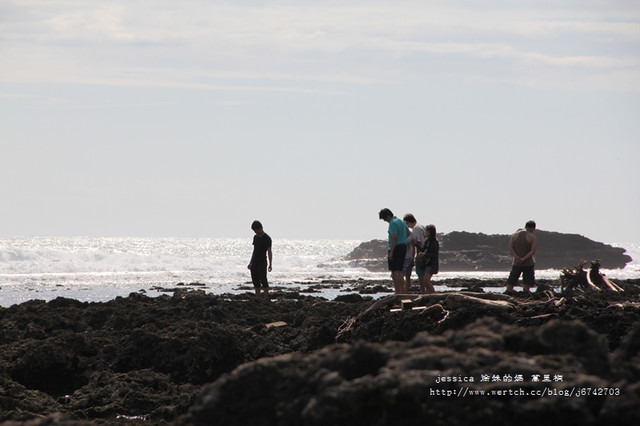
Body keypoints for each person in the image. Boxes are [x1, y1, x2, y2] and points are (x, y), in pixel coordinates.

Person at [379, 208, 409, 294]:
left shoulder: (392, 223)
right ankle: (402, 291)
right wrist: (402, 238)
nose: (385, 221)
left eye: (385, 219)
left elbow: (394, 237)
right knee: (400, 270)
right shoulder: (401, 221)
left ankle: (398, 291)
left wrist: (391, 252)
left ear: (388, 216)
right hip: (403, 246)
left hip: (395, 248)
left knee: (395, 271)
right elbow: (408, 233)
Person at [506, 220, 537, 294]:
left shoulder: (514, 235)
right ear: (533, 228)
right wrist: (524, 258)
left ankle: (509, 292)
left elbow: (510, 248)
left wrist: (516, 257)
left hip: (516, 262)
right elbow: (532, 251)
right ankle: (526, 293)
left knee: (512, 279)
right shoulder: (532, 237)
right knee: (527, 281)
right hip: (528, 263)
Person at [247, 220, 273, 298]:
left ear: (259, 228)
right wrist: (250, 262)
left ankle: (266, 298)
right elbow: (254, 251)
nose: (255, 232)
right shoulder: (255, 237)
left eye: (255, 230)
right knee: (255, 280)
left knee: (263, 279)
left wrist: (270, 264)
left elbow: (269, 252)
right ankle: (257, 298)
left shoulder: (267, 238)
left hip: (262, 261)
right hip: (255, 261)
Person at [403, 214, 427, 294]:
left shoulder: (415, 229)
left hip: (421, 254)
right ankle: (424, 291)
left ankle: (423, 291)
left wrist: (416, 256)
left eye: (406, 223)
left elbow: (418, 243)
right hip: (425, 252)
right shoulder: (421, 227)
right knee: (423, 274)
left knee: (420, 275)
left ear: (408, 222)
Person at [416, 224, 438, 294]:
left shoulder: (434, 242)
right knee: (425, 281)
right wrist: (416, 244)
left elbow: (434, 254)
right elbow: (423, 249)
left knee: (426, 280)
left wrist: (425, 254)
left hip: (432, 263)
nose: (425, 232)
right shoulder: (427, 241)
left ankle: (434, 294)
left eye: (427, 231)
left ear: (430, 232)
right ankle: (429, 293)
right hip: (426, 263)